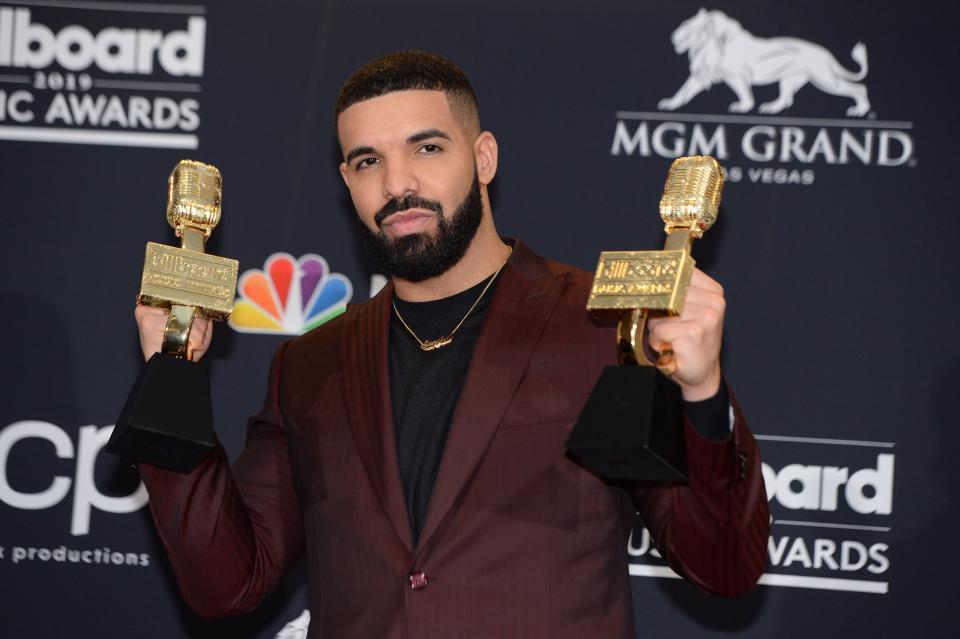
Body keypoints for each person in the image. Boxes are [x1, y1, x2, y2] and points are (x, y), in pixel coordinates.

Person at [135, 50, 769, 638]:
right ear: (347, 181)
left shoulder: (603, 326)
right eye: (367, 160)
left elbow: (723, 565)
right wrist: (171, 372)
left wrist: (702, 394)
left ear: (484, 156)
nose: (397, 183)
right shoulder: (309, 364)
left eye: (427, 147)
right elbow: (228, 583)